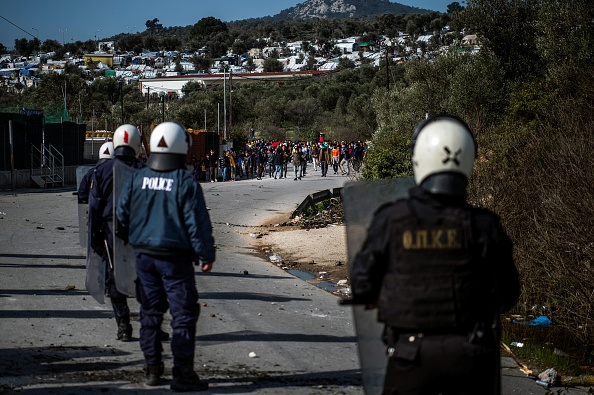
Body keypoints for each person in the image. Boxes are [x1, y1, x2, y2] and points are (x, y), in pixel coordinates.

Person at [349, 115, 520, 395]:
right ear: (467, 159)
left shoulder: (392, 219)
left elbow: (362, 282)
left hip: (410, 355)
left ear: (420, 159)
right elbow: (507, 294)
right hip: (471, 356)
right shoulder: (484, 224)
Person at [116, 122, 215, 391]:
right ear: (182, 146)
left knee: (149, 313)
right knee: (183, 314)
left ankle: (152, 370)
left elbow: (121, 215)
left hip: (144, 257)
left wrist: (130, 239)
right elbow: (198, 224)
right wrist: (206, 254)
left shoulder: (138, 177)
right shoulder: (185, 181)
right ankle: (182, 374)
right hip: (176, 260)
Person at [88, 124, 145, 342]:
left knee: (115, 277)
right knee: (146, 277)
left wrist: (94, 238)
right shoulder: (144, 170)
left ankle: (123, 324)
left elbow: (93, 207)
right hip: (140, 230)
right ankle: (151, 324)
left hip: (110, 229)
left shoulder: (100, 170)